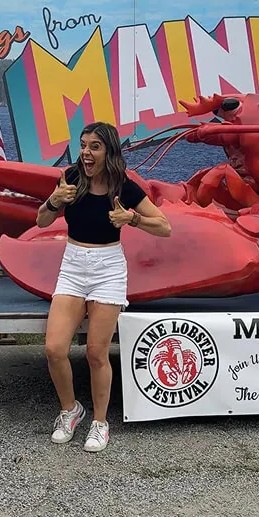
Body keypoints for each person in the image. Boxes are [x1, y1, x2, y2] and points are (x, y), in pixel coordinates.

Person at [36, 121, 171, 452]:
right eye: (83, 145)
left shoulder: (123, 187)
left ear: (108, 151)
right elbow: (41, 220)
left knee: (97, 352)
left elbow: (165, 227)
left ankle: (99, 423)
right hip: (73, 265)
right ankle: (70, 411)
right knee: (54, 349)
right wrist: (54, 201)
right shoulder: (70, 178)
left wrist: (133, 219)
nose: (86, 152)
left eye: (94, 146)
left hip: (108, 268)